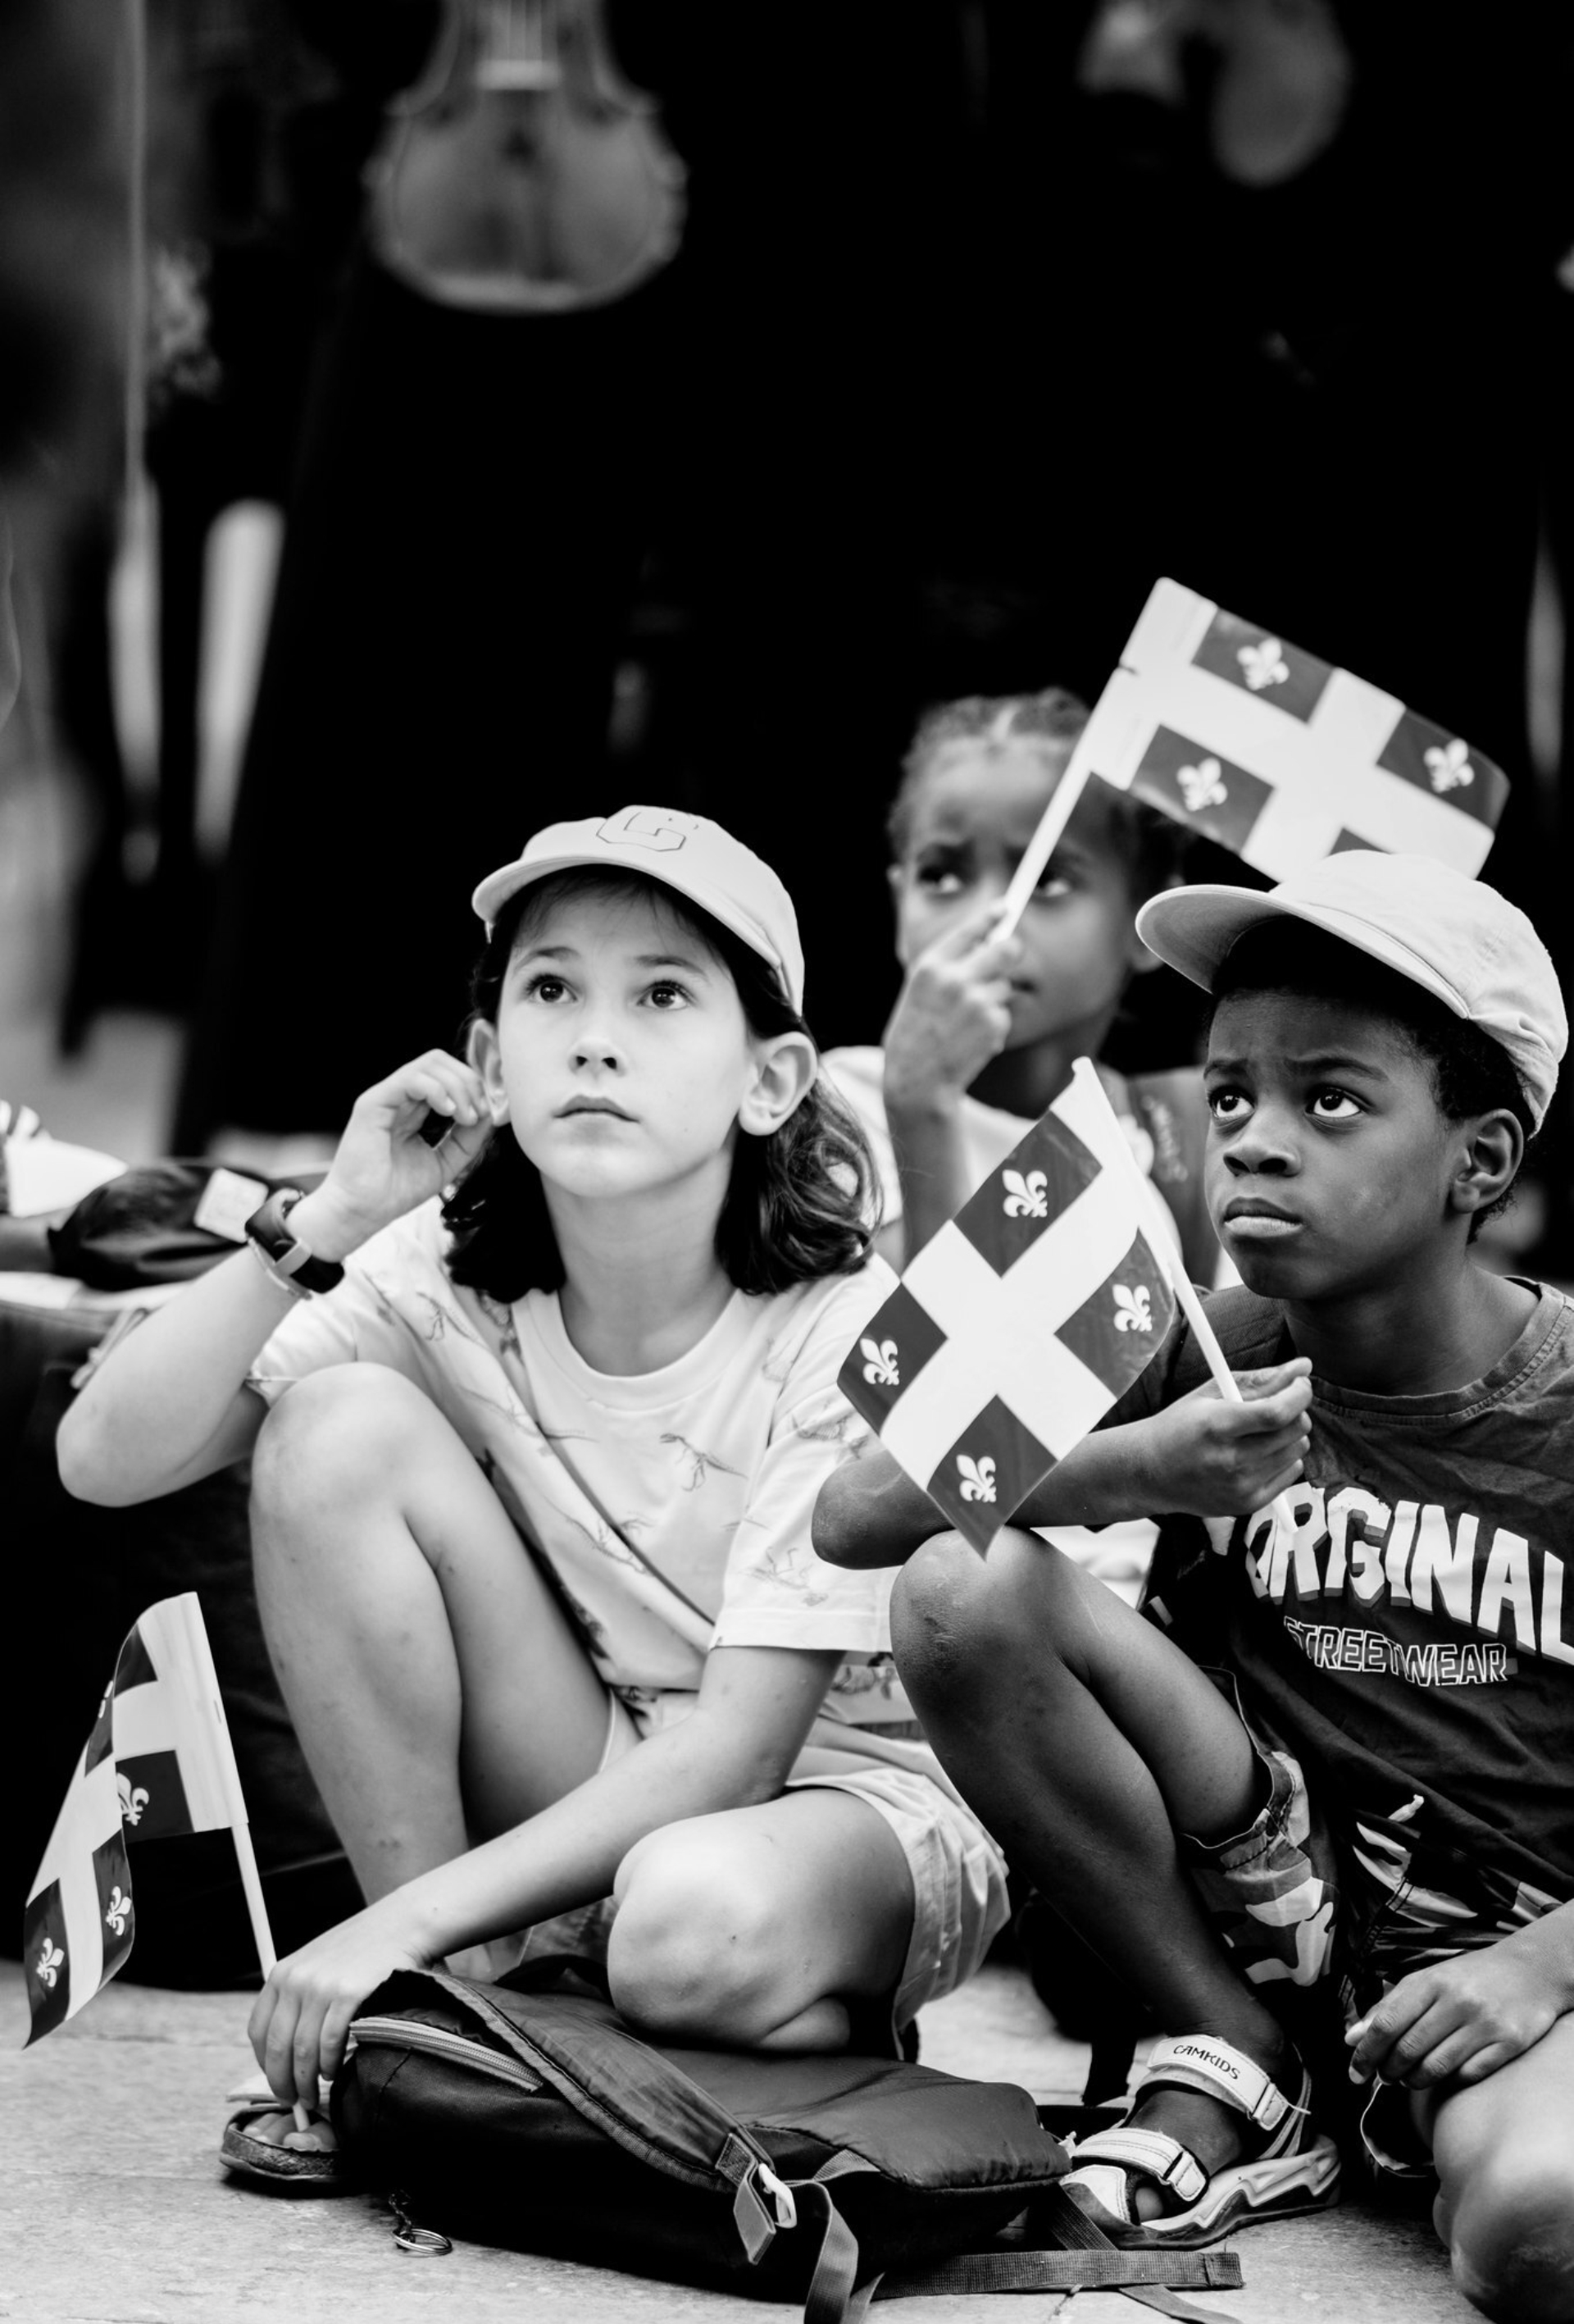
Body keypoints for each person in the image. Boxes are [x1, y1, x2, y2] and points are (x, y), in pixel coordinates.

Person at [58, 805, 1008, 2179]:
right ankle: (445, 2028)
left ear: (773, 1079)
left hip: (849, 1811)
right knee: (328, 1427)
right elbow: (104, 1461)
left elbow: (739, 1754)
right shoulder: (435, 1265)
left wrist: (399, 1922)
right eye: (552, 986)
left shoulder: (839, 1329)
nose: (596, 1035)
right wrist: (324, 1215)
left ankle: (632, 1990)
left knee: (683, 1929)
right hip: (604, 1756)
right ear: (493, 1062)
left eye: (663, 995)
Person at [812, 850, 1574, 2324]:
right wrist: (1133, 1465)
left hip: (1518, 1942)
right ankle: (1235, 2052)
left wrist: (1541, 1970)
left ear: (1480, 1162)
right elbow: (855, 1514)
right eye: (1231, 1097)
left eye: (1328, 1099)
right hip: (1259, 1883)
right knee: (961, 1583)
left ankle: (1420, 2096)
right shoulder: (1192, 1335)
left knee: (1534, 2233)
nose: (1256, 1144)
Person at [821, 685, 1214, 1602]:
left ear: (1144, 920)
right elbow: (929, 1421)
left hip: (1081, 1626)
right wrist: (924, 1107)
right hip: (880, 1602)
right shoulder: (826, 1108)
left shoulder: (1178, 1151)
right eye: (943, 873)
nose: (989, 918)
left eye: (1048, 880)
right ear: (895, 900)